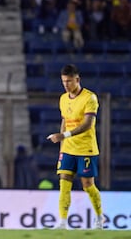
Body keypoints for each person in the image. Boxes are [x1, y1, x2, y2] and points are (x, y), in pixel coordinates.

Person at [47, 64, 104, 230]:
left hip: (86, 148)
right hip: (68, 149)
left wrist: (63, 136)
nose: (66, 85)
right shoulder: (63, 98)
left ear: (77, 79)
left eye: (69, 81)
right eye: (64, 81)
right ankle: (63, 222)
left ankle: (100, 218)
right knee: (64, 182)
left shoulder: (90, 98)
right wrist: (62, 145)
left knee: (88, 185)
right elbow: (65, 121)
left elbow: (87, 124)